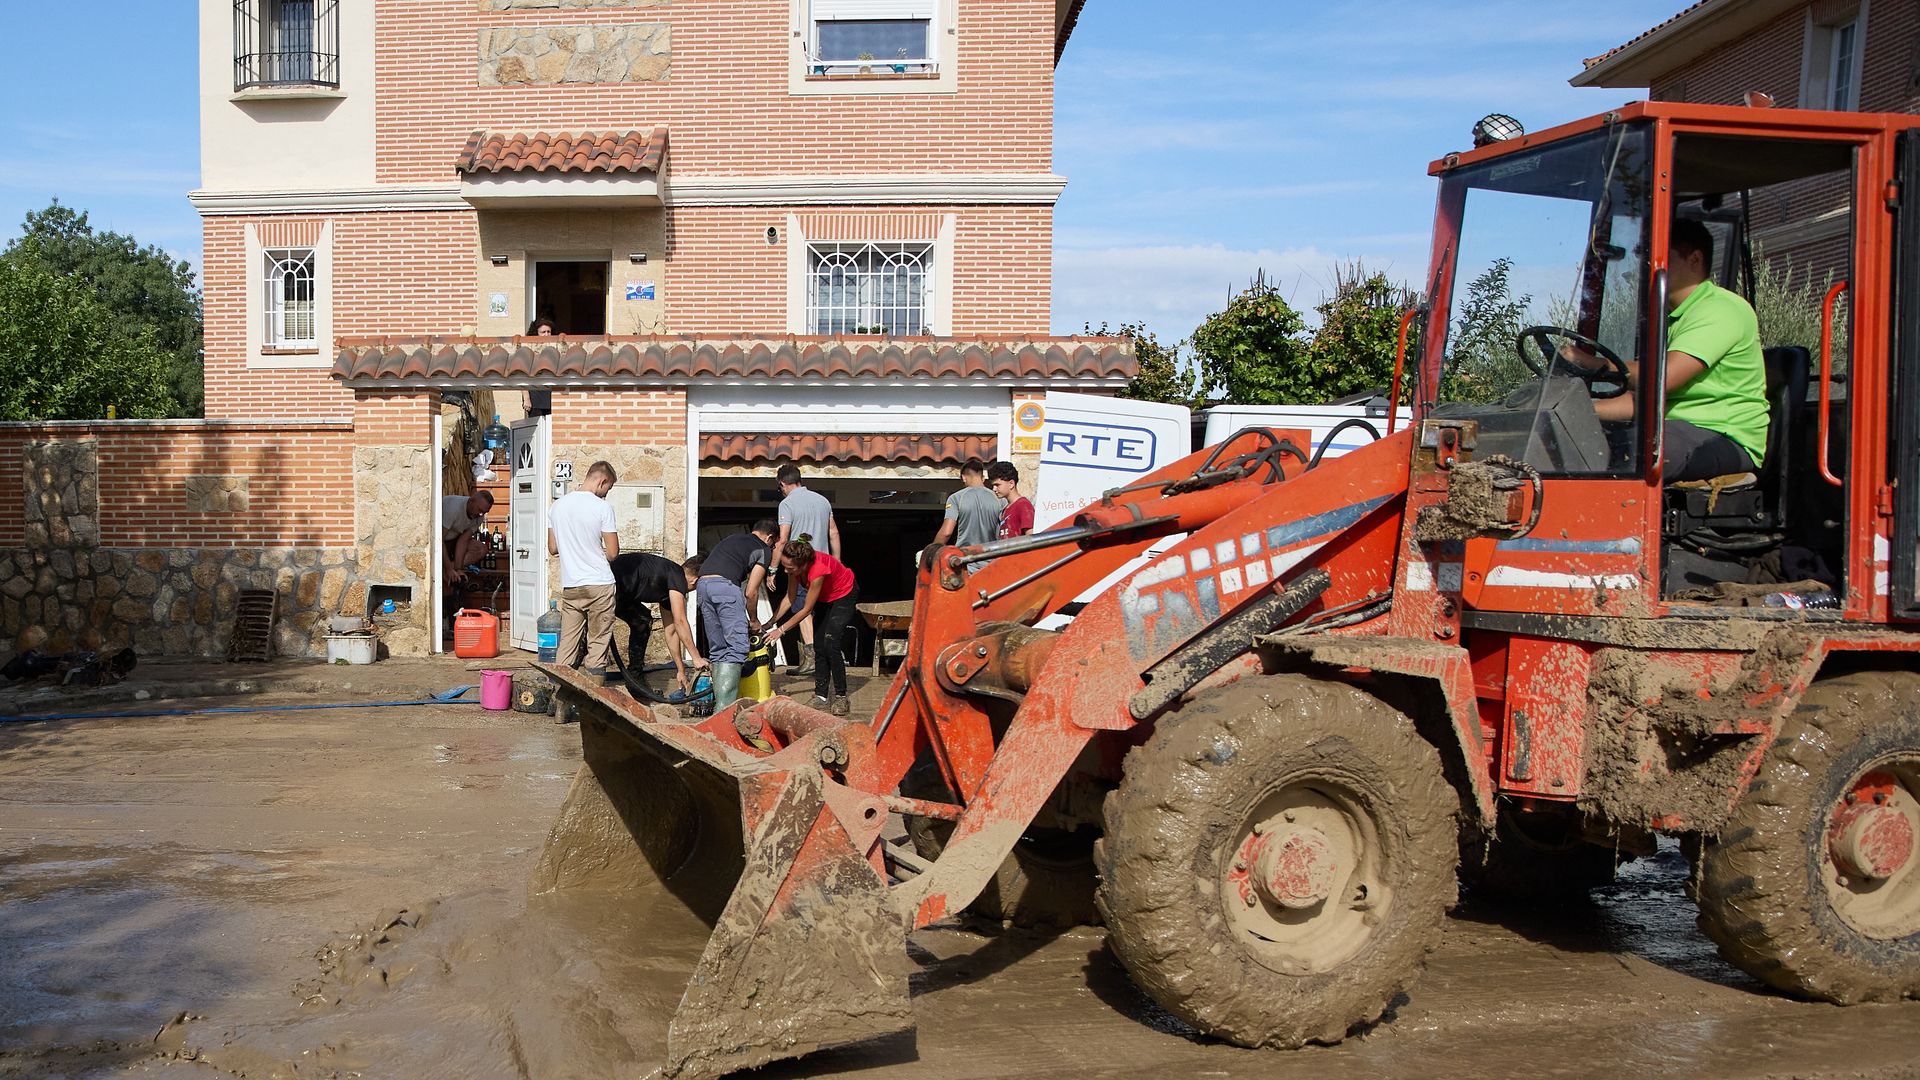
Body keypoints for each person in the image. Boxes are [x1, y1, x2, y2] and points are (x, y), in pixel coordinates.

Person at [1577, 219, 1769, 482]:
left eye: (1656, 257)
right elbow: (1641, 400)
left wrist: (1595, 364)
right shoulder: (1669, 320)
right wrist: (1581, 410)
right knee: (1581, 438)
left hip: (1723, 436)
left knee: (1635, 448)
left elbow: (1663, 378)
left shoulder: (1722, 309)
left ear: (1695, 259)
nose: (1646, 267)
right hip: (1673, 428)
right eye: (1644, 258)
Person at [767, 538, 860, 717]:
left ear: (803, 565)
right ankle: (821, 696)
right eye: (784, 566)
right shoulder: (794, 570)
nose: (786, 570)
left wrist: (781, 630)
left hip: (844, 595)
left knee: (830, 643)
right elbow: (790, 598)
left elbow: (806, 609)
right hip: (825, 599)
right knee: (818, 645)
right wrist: (770, 622)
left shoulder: (818, 571)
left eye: (790, 568)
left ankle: (841, 696)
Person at [696, 519, 778, 709]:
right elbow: (751, 591)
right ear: (770, 538)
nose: (772, 548)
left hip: (703, 585)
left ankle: (719, 706)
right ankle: (725, 710)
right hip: (725, 587)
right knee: (737, 649)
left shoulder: (734, 539)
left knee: (719, 649)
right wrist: (755, 620)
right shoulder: (764, 550)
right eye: (773, 544)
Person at [548, 460, 619, 677]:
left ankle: (560, 701)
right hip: (599, 584)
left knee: (567, 645)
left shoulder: (557, 506)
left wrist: (574, 549)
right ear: (602, 481)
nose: (606, 494)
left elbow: (552, 548)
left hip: (572, 586)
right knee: (597, 646)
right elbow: (613, 552)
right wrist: (596, 555)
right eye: (608, 488)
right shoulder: (602, 507)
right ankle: (593, 703)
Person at [774, 464, 839, 675]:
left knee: (802, 608)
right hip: (825, 566)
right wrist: (836, 563)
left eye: (780, 487)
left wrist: (773, 568)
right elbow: (834, 533)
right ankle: (822, 658)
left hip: (802, 567)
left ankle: (811, 659)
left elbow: (783, 539)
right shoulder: (823, 501)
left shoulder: (787, 504)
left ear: (783, 484)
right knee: (819, 611)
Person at [610, 551, 707, 693]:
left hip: (620, 588)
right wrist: (696, 658)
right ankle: (634, 677)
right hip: (609, 584)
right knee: (641, 621)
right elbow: (680, 621)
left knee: (642, 620)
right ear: (696, 580)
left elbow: (672, 630)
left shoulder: (669, 581)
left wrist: (681, 670)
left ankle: (634, 678)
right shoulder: (677, 576)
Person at [933, 459, 1001, 548]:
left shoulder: (956, 498)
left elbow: (946, 532)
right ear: (983, 478)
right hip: (993, 557)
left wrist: (931, 552)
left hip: (966, 557)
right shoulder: (999, 499)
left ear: (964, 477)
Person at [441, 489, 493, 586]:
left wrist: (458, 569)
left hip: (454, 540)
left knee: (481, 549)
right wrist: (449, 569)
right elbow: (438, 540)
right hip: (439, 540)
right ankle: (445, 569)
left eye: (485, 512)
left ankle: (450, 570)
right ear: (472, 501)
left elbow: (463, 541)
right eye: (480, 510)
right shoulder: (453, 508)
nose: (481, 514)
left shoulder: (480, 516)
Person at [989, 461, 1034, 538]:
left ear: (1011, 484)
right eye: (993, 485)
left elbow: (1032, 538)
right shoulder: (1005, 509)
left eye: (997, 485)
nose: (994, 489)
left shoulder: (1023, 505)